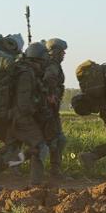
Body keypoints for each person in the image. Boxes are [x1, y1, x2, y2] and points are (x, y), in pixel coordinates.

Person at [0, 43, 52, 191]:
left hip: (12, 117)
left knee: (9, 149)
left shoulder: (20, 70)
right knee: (39, 146)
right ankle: (35, 184)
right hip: (21, 118)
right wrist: (39, 104)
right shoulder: (26, 73)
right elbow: (24, 104)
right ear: (40, 58)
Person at [42, 38, 68, 179]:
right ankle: (54, 172)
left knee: (57, 140)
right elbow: (49, 79)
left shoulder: (53, 64)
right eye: (62, 51)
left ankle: (55, 170)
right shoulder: (52, 65)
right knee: (53, 141)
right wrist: (51, 95)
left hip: (52, 109)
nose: (64, 54)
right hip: (48, 110)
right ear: (56, 52)